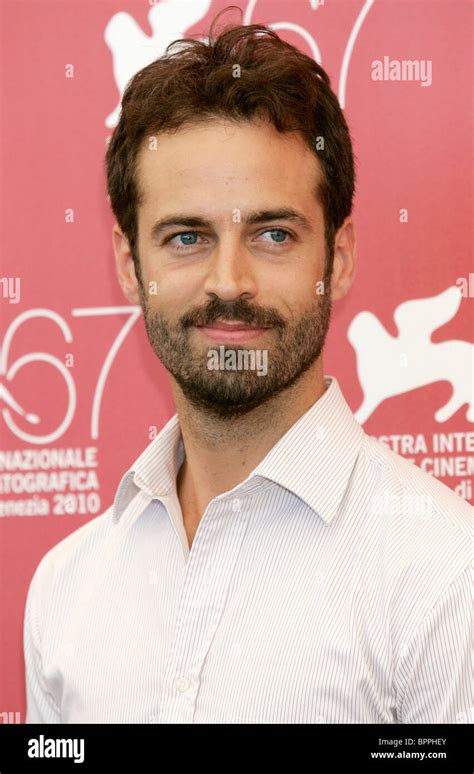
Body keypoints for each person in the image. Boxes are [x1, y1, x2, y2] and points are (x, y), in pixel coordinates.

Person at [24, 16, 472, 724]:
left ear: (341, 255)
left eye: (272, 234)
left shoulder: (448, 578)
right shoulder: (64, 588)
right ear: (127, 264)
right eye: (186, 237)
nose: (228, 282)